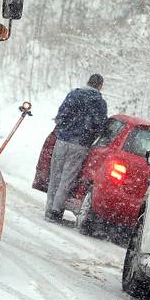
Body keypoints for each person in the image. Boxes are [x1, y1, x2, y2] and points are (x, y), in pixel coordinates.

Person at [45, 74, 108, 220]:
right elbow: (100, 125)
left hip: (62, 140)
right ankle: (56, 209)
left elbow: (61, 115)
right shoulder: (99, 103)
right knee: (67, 177)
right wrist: (90, 136)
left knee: (55, 175)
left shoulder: (73, 95)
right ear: (100, 86)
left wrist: (63, 130)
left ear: (88, 81)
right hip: (80, 145)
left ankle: (49, 208)